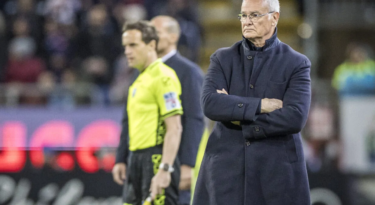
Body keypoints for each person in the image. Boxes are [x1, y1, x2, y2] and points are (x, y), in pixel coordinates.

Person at [192, 0, 312, 205]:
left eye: (254, 15)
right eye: (243, 15)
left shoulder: (297, 63)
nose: (246, 21)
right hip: (225, 172)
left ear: (275, 17)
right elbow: (211, 103)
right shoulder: (222, 59)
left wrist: (237, 115)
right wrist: (260, 106)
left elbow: (294, 117)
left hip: (276, 175)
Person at [113, 16, 205, 205]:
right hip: (137, 158)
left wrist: (188, 164)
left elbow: (193, 120)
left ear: (172, 37)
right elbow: (128, 120)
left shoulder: (185, 72)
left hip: (163, 158)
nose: (128, 51)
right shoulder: (139, 74)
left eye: (155, 32)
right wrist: (121, 157)